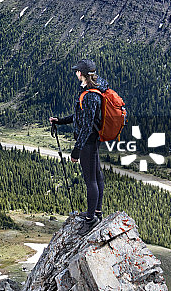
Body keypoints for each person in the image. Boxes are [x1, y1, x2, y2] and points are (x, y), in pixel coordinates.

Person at [49, 59, 106, 234]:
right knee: (97, 175)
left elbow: (87, 125)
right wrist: (61, 121)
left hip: (88, 141)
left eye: (77, 71)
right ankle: (96, 211)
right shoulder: (93, 91)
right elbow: (80, 117)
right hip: (92, 140)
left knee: (91, 180)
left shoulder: (90, 95)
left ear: (81, 73)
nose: (75, 73)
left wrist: (76, 149)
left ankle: (90, 220)